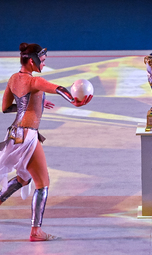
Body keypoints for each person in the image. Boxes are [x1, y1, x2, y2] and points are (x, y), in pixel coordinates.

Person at [0, 43, 92, 241]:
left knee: (24, 179)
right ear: (31, 61)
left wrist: (34, 103)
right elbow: (57, 88)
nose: (43, 62)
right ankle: (36, 231)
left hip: (14, 135)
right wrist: (74, 101)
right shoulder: (35, 81)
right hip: (27, 136)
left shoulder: (13, 79)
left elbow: (6, 108)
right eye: (41, 60)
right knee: (43, 183)